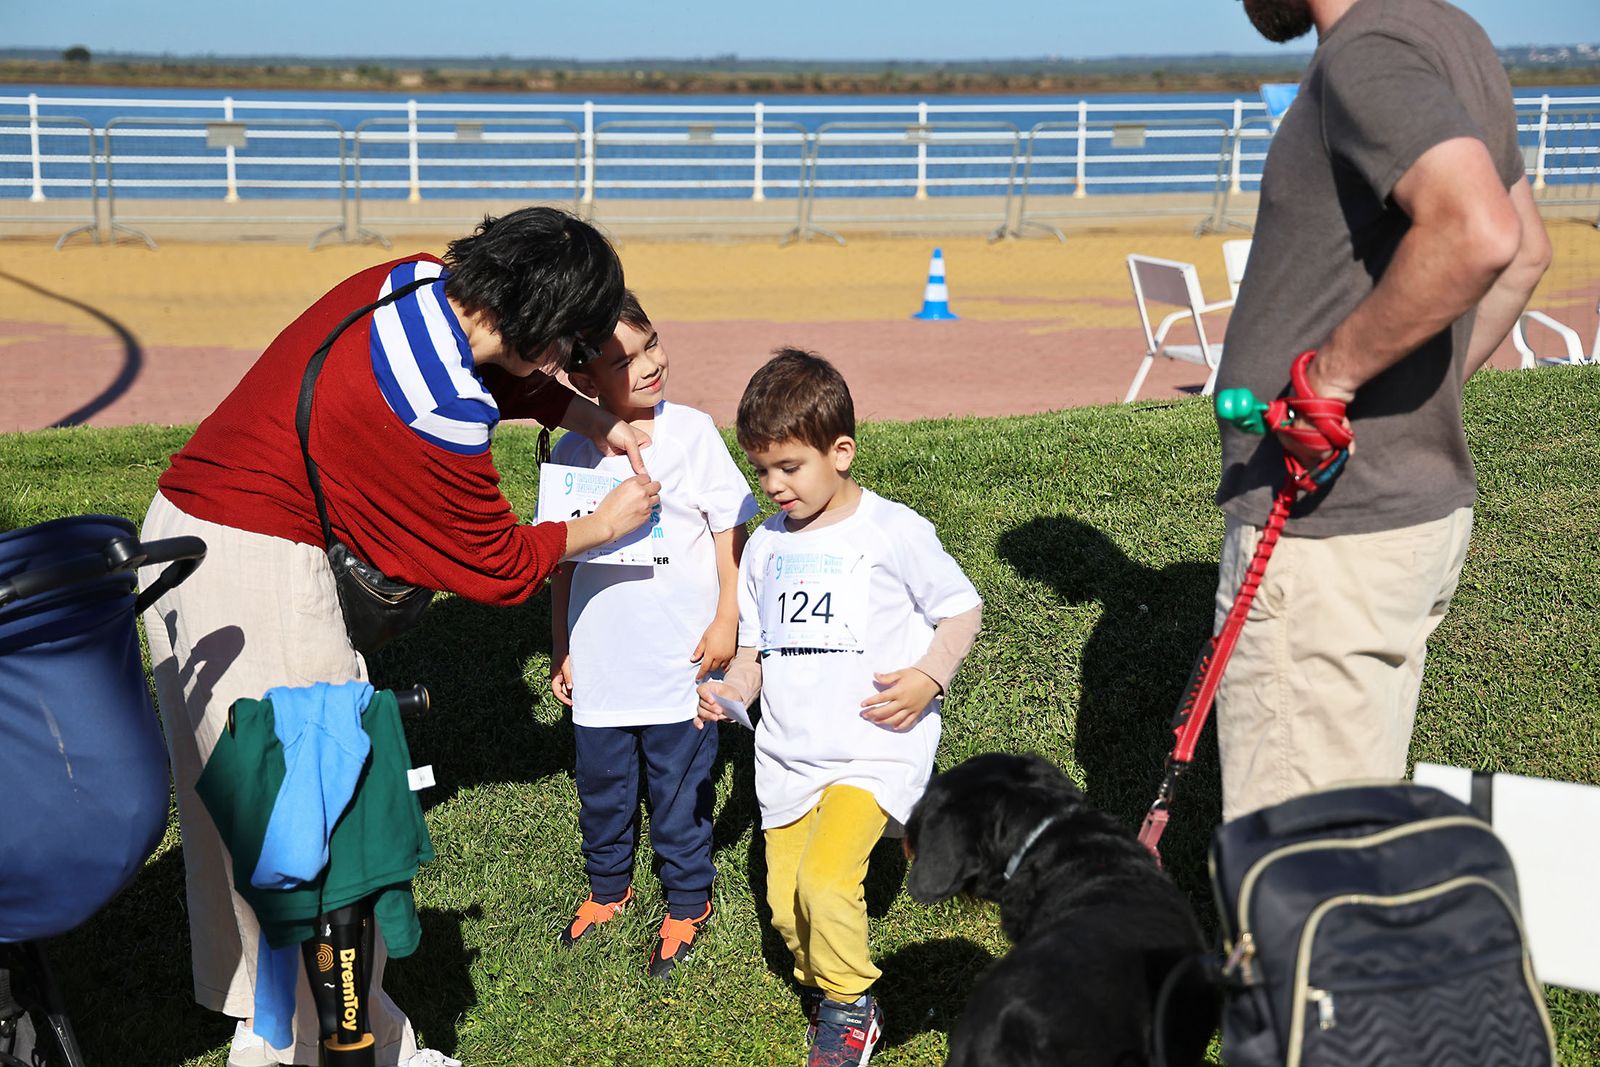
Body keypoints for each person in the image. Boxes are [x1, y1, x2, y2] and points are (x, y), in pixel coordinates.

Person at [139, 207, 661, 1067]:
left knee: (247, 822)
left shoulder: (413, 278)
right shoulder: (437, 406)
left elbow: (504, 367)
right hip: (257, 566)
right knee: (330, 832)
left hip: (187, 535)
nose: (570, 363)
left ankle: (275, 1029)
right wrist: (599, 528)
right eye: (571, 344)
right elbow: (492, 562)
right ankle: (353, 1044)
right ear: (543, 327)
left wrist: (588, 418)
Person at [1213, 0, 1552, 820]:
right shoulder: (1452, 35)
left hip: (1330, 541)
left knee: (1297, 879)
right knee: (1349, 845)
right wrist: (1408, 402)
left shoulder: (1367, 51)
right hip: (1394, 528)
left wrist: (1330, 383)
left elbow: (1481, 232)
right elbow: (1526, 250)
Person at [697, 350, 983, 1067]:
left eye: (789, 466)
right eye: (761, 470)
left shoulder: (893, 529)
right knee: (787, 906)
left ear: (841, 451)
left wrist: (930, 678)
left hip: (873, 747)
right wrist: (732, 692)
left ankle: (852, 1010)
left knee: (827, 882)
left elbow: (961, 610)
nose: (774, 485)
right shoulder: (764, 546)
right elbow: (753, 653)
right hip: (789, 754)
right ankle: (832, 989)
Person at [547, 291, 758, 977]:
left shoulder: (691, 433)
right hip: (604, 671)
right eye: (623, 360)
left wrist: (728, 614)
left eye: (652, 344)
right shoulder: (575, 449)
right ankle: (608, 888)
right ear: (583, 382)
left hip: (681, 665)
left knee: (678, 789)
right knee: (602, 786)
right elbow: (560, 559)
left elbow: (731, 528)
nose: (650, 364)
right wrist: (562, 645)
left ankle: (688, 897)